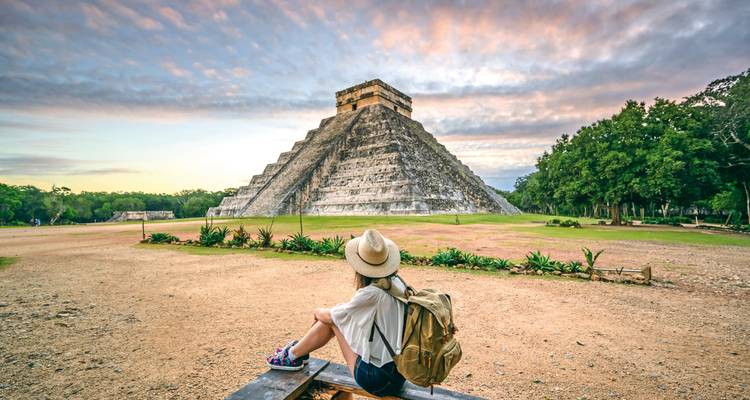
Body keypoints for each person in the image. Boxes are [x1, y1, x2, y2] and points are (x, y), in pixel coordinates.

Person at [266, 229, 408, 398]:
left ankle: (292, 355)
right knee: (334, 317)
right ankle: (295, 354)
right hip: (399, 373)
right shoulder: (397, 284)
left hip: (378, 380)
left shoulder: (371, 294)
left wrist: (317, 311)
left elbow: (333, 317)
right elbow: (348, 313)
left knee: (331, 321)